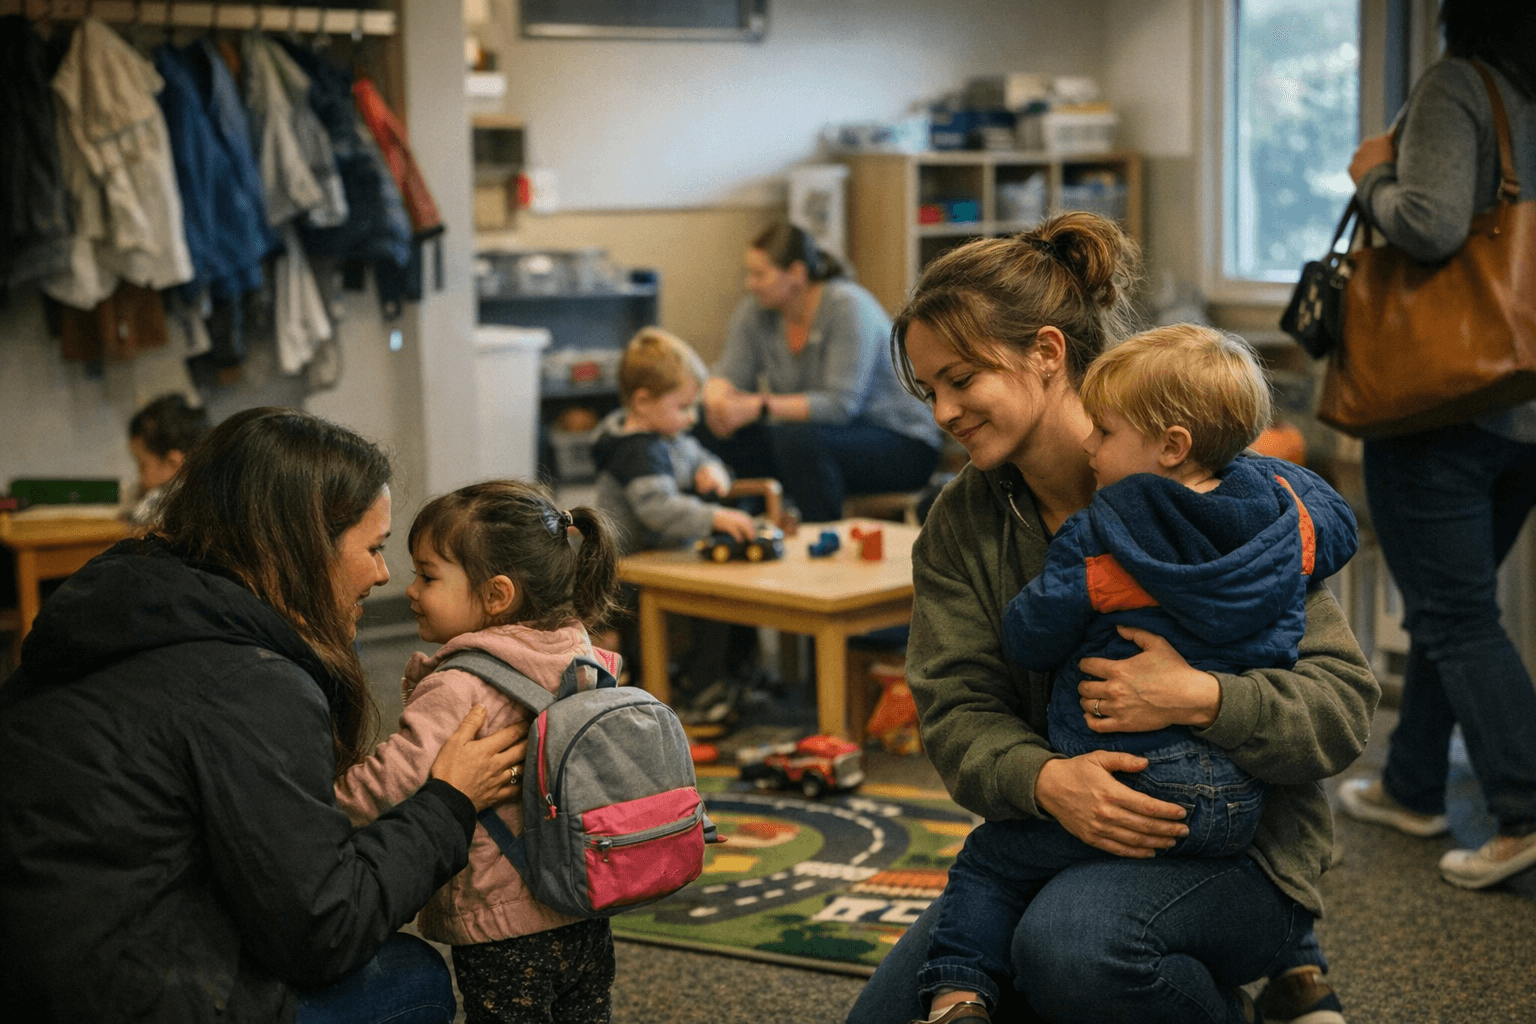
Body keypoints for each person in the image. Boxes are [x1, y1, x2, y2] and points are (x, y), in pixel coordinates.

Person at [844, 213, 1378, 1024]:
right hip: (1059, 832)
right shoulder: (961, 522)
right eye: (929, 391)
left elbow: (1340, 712)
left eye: (961, 380)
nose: (942, 412)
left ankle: (1270, 972)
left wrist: (1200, 697)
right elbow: (956, 713)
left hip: (1243, 856)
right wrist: (1047, 778)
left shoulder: (1216, 495)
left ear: (1047, 354)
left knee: (1074, 949)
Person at [0, 407, 528, 1023]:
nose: (384, 575)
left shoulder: (131, 602)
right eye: (375, 548)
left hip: (43, 963)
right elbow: (323, 931)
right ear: (303, 546)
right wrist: (447, 801)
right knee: (411, 978)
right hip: (119, 993)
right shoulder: (249, 682)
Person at [1334, 0, 1536, 889]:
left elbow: (1431, 222)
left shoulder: (1461, 84)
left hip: (1441, 406)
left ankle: (1525, 812)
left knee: (1454, 616)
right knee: (1455, 607)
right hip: (1525, 402)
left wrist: (1372, 173)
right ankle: (1414, 784)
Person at [336, 480, 623, 1024]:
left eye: (427, 576)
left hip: (505, 925)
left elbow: (396, 778)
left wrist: (328, 800)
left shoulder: (462, 686)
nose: (410, 589)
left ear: (497, 596)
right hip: (586, 904)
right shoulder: (583, 655)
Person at [699, 221, 944, 522]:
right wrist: (717, 400)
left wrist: (759, 406)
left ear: (797, 274)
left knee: (798, 441)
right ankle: (742, 527)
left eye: (759, 274)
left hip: (901, 441)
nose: (750, 283)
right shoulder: (754, 312)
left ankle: (821, 540)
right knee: (707, 427)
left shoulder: (848, 307)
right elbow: (729, 375)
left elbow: (840, 406)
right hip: (818, 438)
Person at [592, 327, 755, 556]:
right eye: (683, 407)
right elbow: (658, 508)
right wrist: (714, 517)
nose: (693, 416)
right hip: (626, 571)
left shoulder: (671, 436)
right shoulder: (635, 451)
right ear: (643, 401)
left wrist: (711, 469)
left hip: (662, 558)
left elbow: (699, 456)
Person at [125, 392, 211, 525]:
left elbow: (137, 519)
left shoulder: (164, 498)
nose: (140, 477)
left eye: (142, 464)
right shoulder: (210, 488)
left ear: (172, 462)